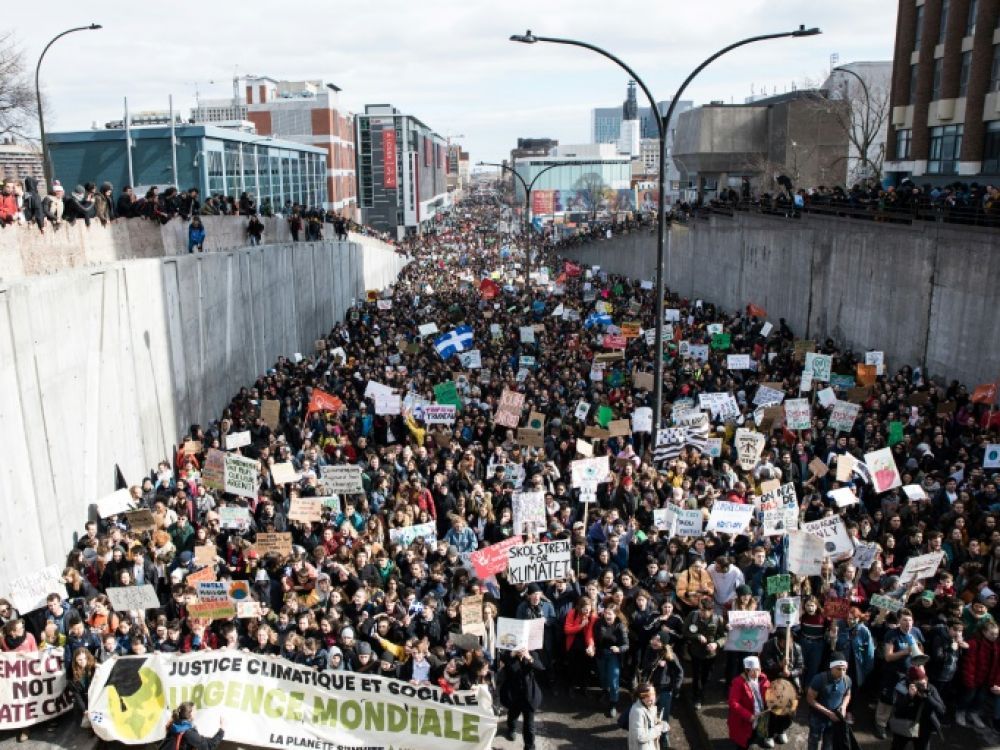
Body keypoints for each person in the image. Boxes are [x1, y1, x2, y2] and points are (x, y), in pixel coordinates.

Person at [728, 655, 783, 749]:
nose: (757, 673)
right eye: (753, 670)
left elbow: (769, 694)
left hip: (759, 717)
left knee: (754, 737)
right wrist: (748, 715)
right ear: (747, 670)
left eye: (758, 669)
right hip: (745, 721)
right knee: (743, 742)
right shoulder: (738, 682)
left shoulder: (764, 679)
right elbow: (733, 703)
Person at [888, 665, 946, 750]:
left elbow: (942, 710)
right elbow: (897, 711)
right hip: (905, 724)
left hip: (923, 728)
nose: (922, 686)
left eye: (924, 683)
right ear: (911, 682)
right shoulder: (903, 687)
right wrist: (909, 697)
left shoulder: (931, 689)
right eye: (919, 683)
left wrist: (927, 697)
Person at [497, 647, 544, 750]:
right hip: (513, 694)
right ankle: (511, 729)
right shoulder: (508, 655)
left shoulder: (532, 653)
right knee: (513, 714)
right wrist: (511, 655)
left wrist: (529, 657)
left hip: (529, 695)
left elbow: (540, 667)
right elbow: (500, 666)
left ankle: (529, 746)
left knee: (529, 724)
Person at [806, 653, 852, 750]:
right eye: (839, 669)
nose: (842, 673)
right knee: (813, 742)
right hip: (817, 718)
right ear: (831, 667)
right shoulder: (819, 679)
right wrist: (828, 713)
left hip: (833, 721)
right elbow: (810, 699)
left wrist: (843, 707)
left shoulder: (847, 680)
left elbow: (847, 694)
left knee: (828, 745)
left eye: (844, 669)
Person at [627, 683, 668, 750]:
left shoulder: (649, 707)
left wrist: (661, 723)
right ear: (641, 697)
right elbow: (640, 737)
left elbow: (649, 723)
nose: (652, 699)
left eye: (653, 695)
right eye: (648, 697)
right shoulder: (637, 712)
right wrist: (658, 728)